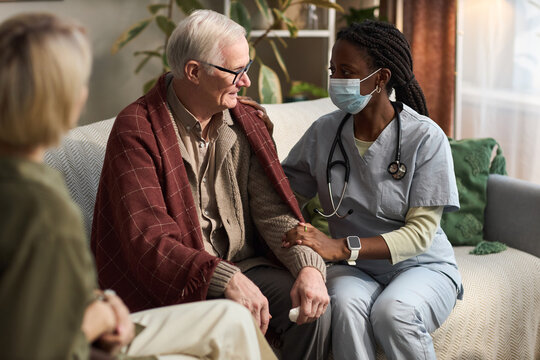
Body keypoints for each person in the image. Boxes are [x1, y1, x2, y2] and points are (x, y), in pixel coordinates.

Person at [0, 12, 277, 360]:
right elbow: (41, 346)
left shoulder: (30, 189)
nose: (245, 81)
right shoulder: (43, 208)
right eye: (79, 83)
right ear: (65, 103)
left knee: (232, 317)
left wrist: (97, 303)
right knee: (232, 319)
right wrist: (98, 318)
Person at [91, 9, 330, 359]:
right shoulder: (137, 129)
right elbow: (148, 240)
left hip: (244, 266)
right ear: (194, 72)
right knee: (234, 314)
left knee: (312, 310)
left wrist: (308, 265)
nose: (246, 81)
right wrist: (223, 278)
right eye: (237, 71)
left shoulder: (244, 121)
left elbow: (272, 212)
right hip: (180, 280)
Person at [281, 20, 464, 360]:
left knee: (393, 313)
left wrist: (340, 247)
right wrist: (258, 139)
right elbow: (282, 193)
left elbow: (420, 235)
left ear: (380, 78)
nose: (336, 80)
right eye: (333, 70)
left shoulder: (425, 138)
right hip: (355, 271)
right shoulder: (324, 133)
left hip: (420, 266)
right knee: (345, 309)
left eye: (346, 71)